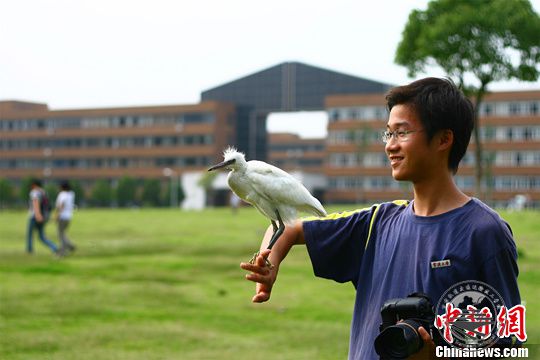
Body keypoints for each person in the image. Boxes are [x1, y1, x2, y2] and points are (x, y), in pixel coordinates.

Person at [240, 78, 521, 359]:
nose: (390, 146)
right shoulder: (378, 223)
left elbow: (509, 350)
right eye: (388, 134)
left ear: (444, 139)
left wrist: (437, 356)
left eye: (402, 132)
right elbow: (289, 228)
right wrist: (270, 263)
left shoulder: (483, 232)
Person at [26, 179, 58, 254]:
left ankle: (29, 250)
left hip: (35, 216)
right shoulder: (43, 192)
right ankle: (54, 247)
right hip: (44, 216)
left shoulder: (34, 192)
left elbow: (35, 202)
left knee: (30, 234)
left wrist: (37, 215)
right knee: (41, 236)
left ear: (34, 185)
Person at [55, 181, 76, 256]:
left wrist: (57, 215)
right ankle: (70, 246)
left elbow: (61, 205)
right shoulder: (71, 194)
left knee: (60, 234)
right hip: (69, 217)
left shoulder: (62, 194)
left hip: (62, 217)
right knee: (62, 233)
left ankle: (63, 251)